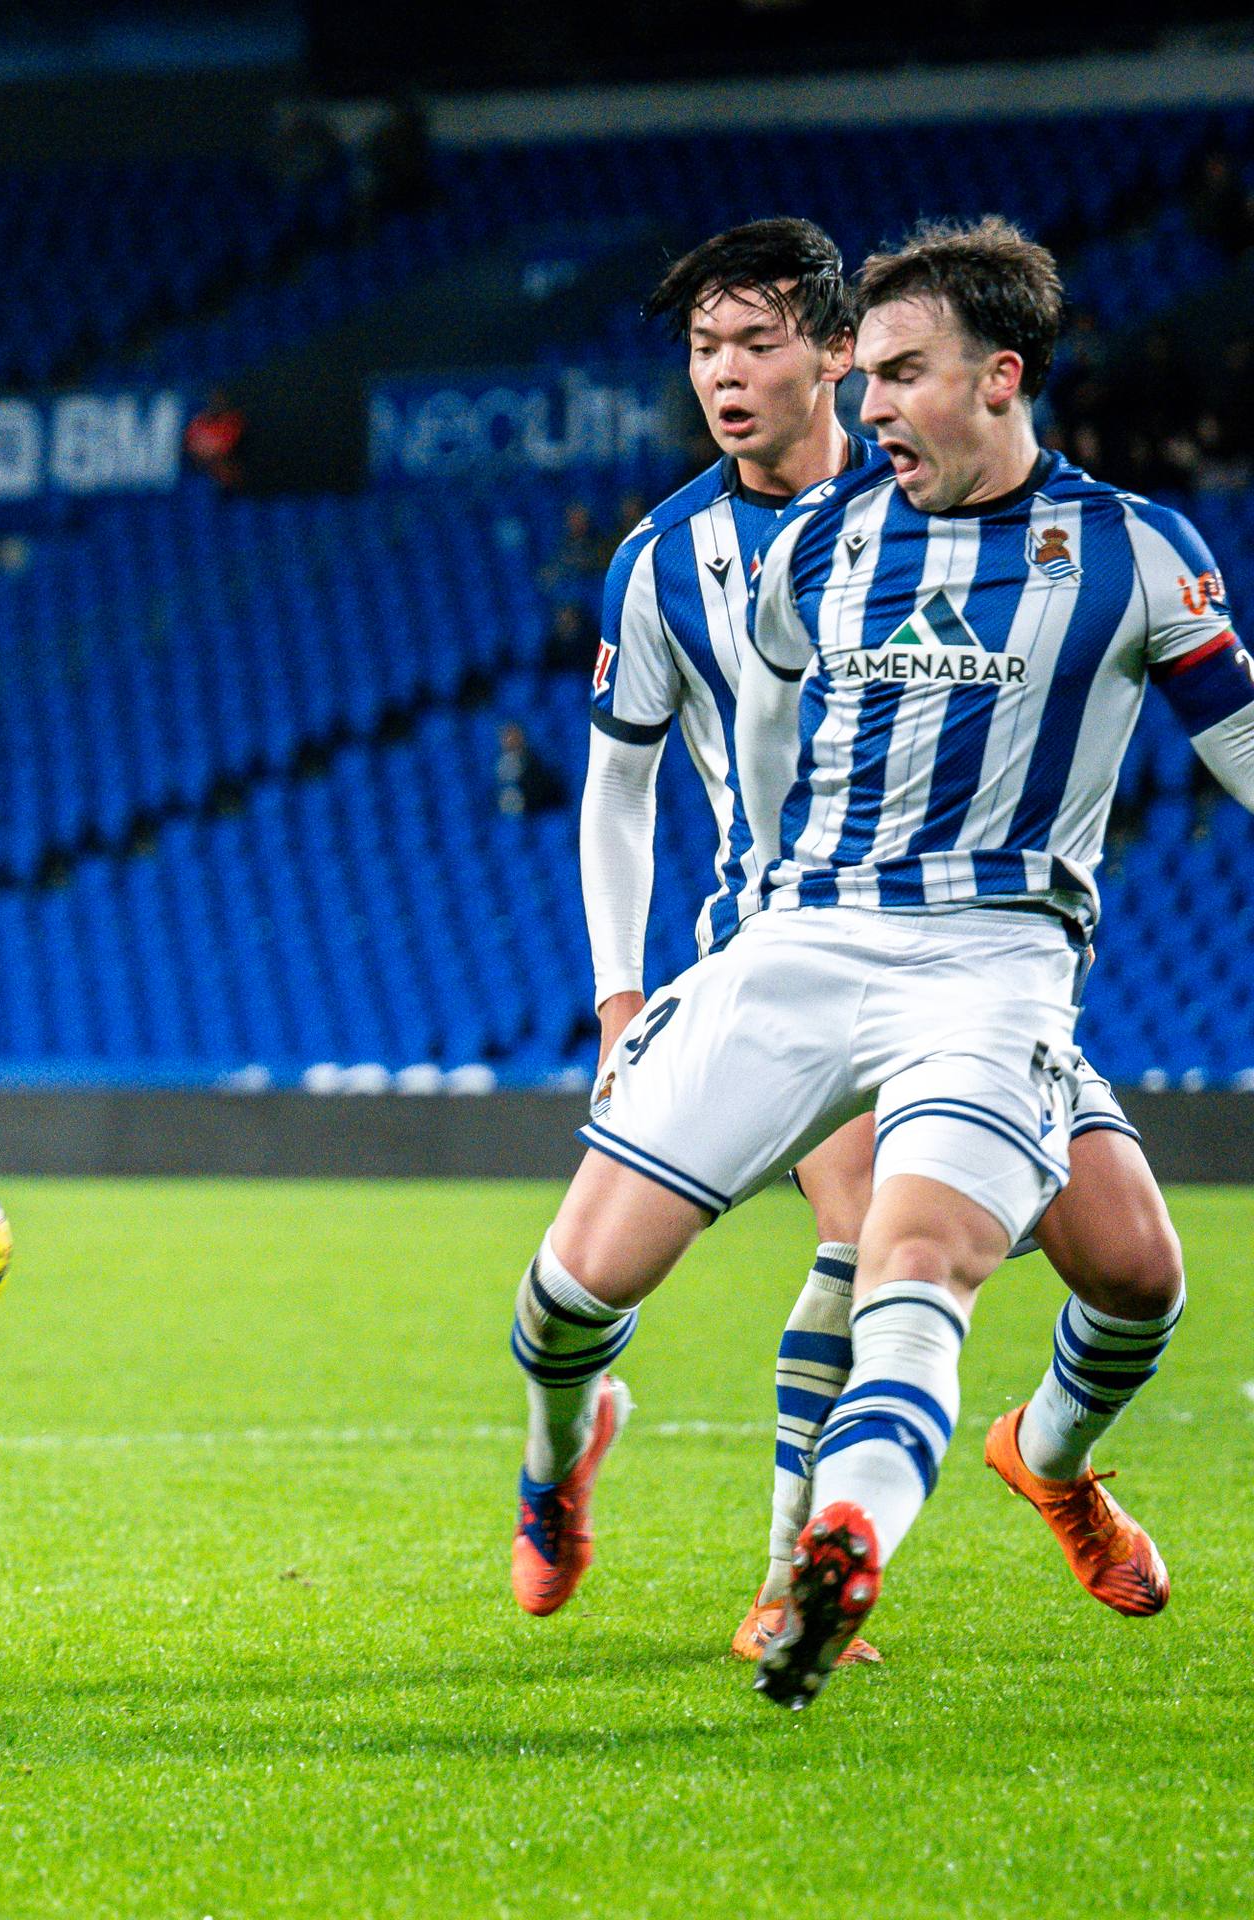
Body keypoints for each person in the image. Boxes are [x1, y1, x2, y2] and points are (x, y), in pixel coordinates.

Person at [527, 218, 1254, 1709]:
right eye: (860, 376)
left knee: (1090, 1275)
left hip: (988, 970)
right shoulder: (802, 550)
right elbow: (740, 755)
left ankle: (865, 1532)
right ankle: (575, 1453)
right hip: (795, 942)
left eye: (894, 374)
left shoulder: (1133, 557)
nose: (866, 406)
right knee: (568, 1292)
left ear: (1000, 378)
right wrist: (649, 982)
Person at [493, 721, 566, 816]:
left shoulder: (537, 759)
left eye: (514, 736)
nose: (511, 740)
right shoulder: (501, 765)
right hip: (522, 814)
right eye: (507, 737)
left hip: (542, 807)